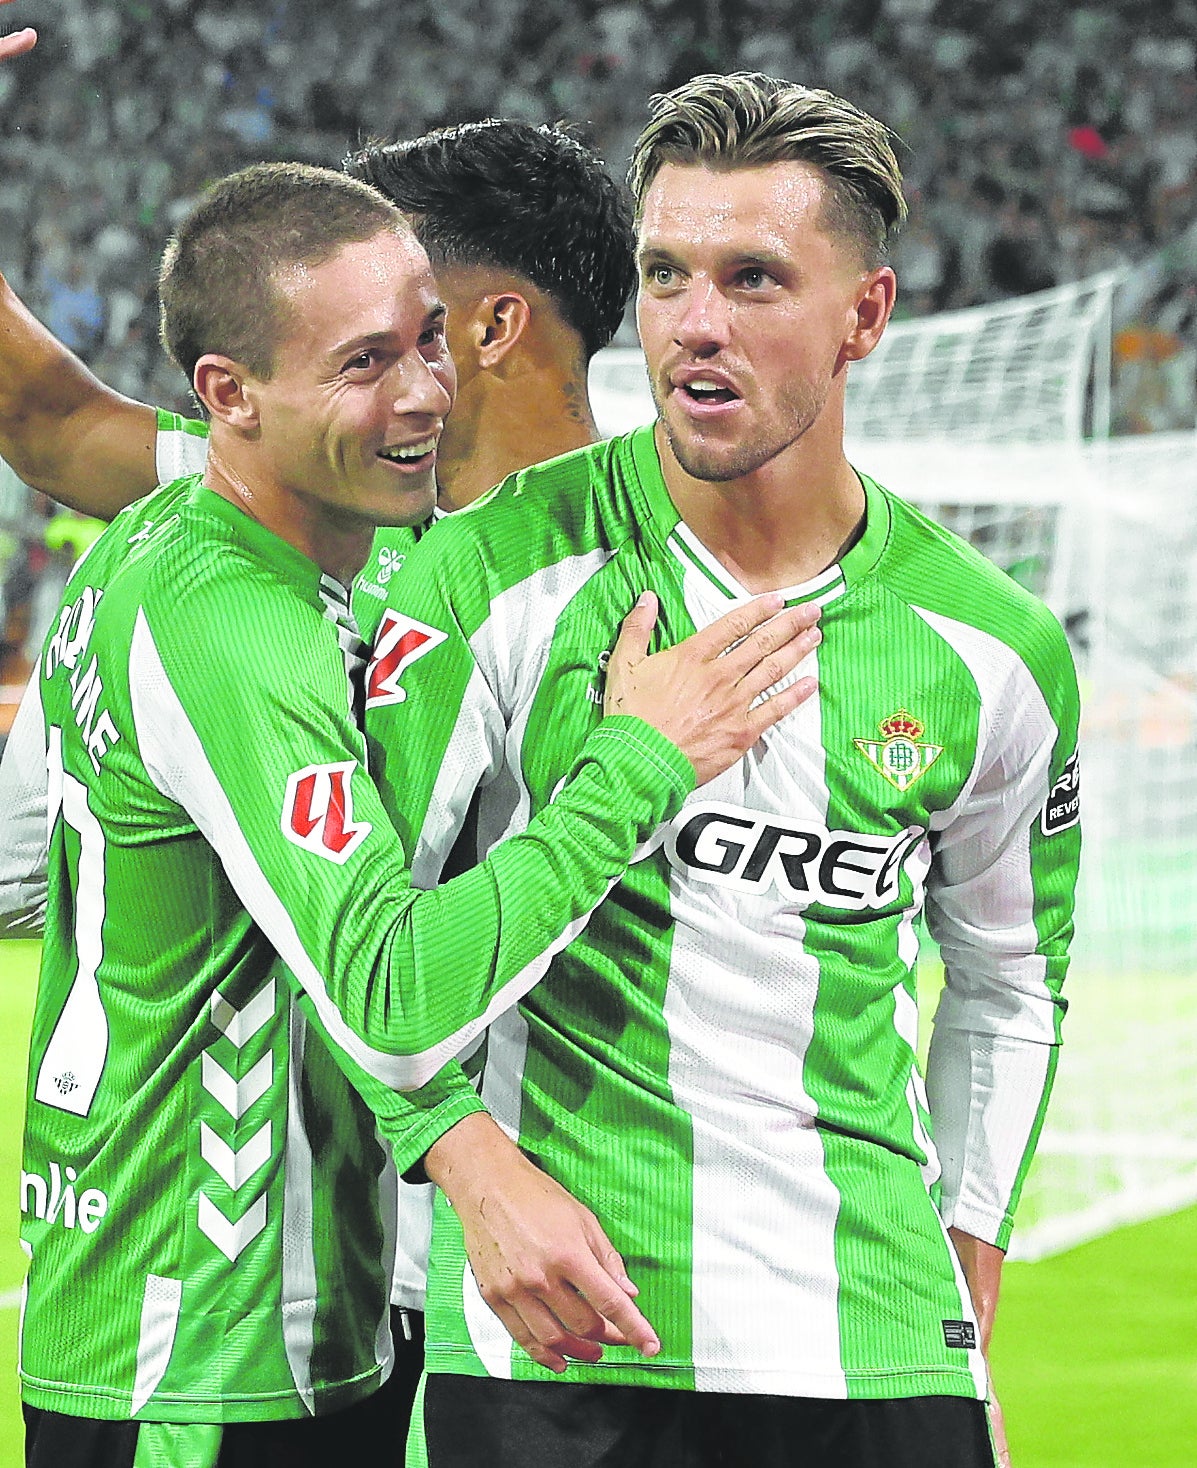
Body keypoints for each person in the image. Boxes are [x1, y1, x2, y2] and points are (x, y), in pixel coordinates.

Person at [17, 155, 823, 1466]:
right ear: (231, 397)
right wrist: (640, 761)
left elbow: (20, 873)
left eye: (424, 339)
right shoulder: (241, 611)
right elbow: (388, 985)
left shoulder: (304, 526)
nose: (420, 392)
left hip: (303, 1304)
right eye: (363, 361)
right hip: (205, 1330)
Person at [362, 73, 1080, 1468]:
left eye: (753, 279)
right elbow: (352, 931)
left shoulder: (990, 646)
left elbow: (1008, 981)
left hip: (870, 1339)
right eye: (665, 275)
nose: (695, 324)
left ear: (864, 315)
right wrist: (467, 1162)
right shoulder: (496, 569)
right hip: (555, 1344)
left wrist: (966, 1263)